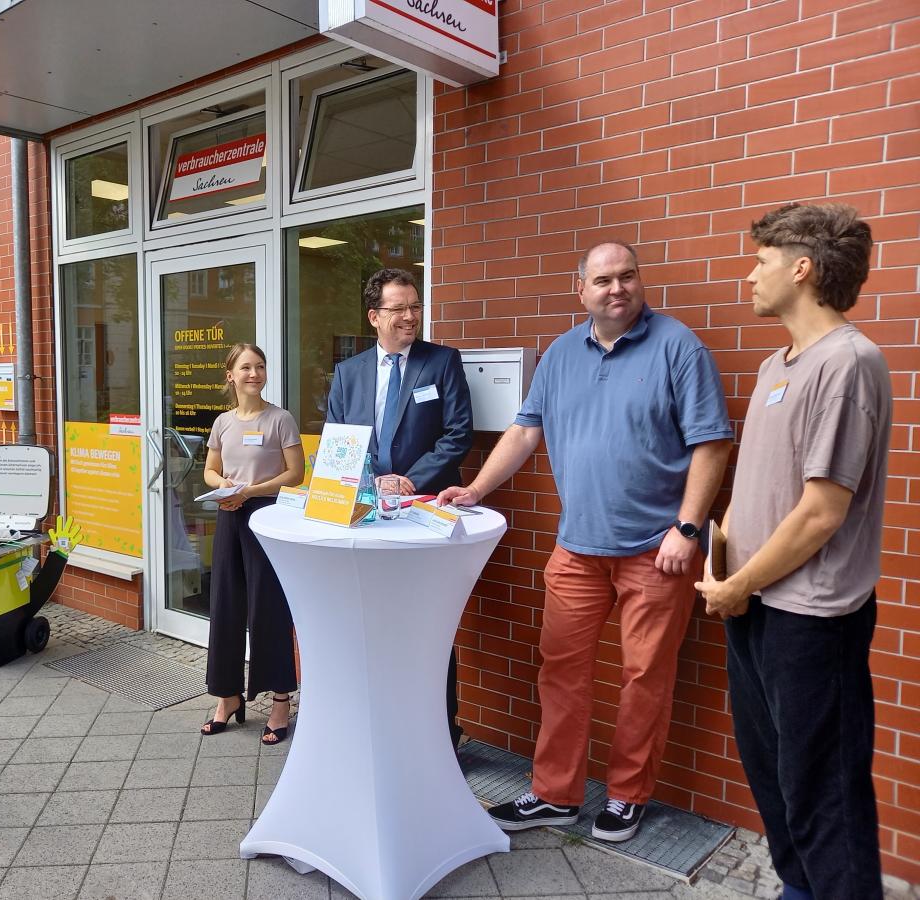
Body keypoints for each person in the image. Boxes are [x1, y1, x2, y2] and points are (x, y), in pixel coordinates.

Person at [437, 241, 732, 842]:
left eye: (627, 276)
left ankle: (627, 796)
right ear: (582, 291)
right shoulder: (561, 355)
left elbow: (712, 442)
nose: (616, 288)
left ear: (639, 282)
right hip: (578, 550)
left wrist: (689, 526)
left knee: (644, 676)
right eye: (603, 280)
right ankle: (554, 794)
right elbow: (525, 432)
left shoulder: (678, 346)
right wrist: (476, 489)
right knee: (560, 672)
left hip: (658, 549)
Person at [695, 204, 890, 900]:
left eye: (761, 261)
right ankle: (799, 890)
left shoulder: (847, 363)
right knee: (775, 774)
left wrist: (737, 581)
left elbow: (821, 513)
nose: (750, 275)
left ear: (801, 269)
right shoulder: (780, 363)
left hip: (810, 617)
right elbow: (777, 489)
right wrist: (721, 539)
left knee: (824, 789)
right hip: (753, 605)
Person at [326, 267, 473, 748]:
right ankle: (381, 731)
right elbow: (339, 439)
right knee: (375, 622)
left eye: (415, 306)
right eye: (399, 308)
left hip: (426, 511)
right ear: (374, 316)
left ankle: (440, 736)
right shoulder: (349, 373)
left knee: (430, 625)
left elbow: (458, 435)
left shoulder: (442, 362)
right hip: (367, 515)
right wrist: (370, 482)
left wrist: (409, 479)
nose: (410, 316)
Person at [201, 343, 305, 745]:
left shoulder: (280, 418)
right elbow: (211, 470)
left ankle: (281, 701)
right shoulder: (223, 422)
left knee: (269, 609)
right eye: (246, 367)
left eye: (260, 366)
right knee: (225, 607)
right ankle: (228, 698)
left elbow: (295, 473)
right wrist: (224, 485)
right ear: (231, 375)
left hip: (267, 517)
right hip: (229, 516)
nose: (254, 374)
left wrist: (251, 490)